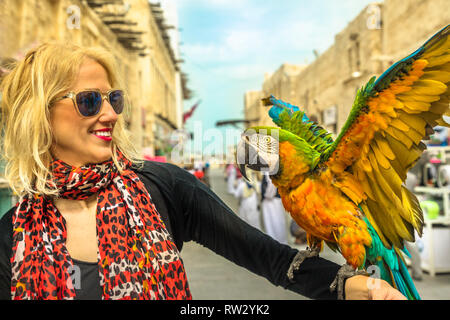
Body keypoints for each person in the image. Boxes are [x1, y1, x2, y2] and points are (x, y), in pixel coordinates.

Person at [0, 43, 406, 300]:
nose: (109, 113)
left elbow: (272, 258)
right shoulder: (10, 237)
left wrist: (357, 287)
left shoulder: (164, 187)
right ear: (40, 116)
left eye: (114, 98)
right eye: (89, 101)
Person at [261, 172, 288, 244]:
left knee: (273, 225)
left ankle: (276, 245)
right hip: (274, 201)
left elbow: (271, 185)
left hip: (271, 202)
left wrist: (267, 195)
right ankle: (280, 245)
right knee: (278, 223)